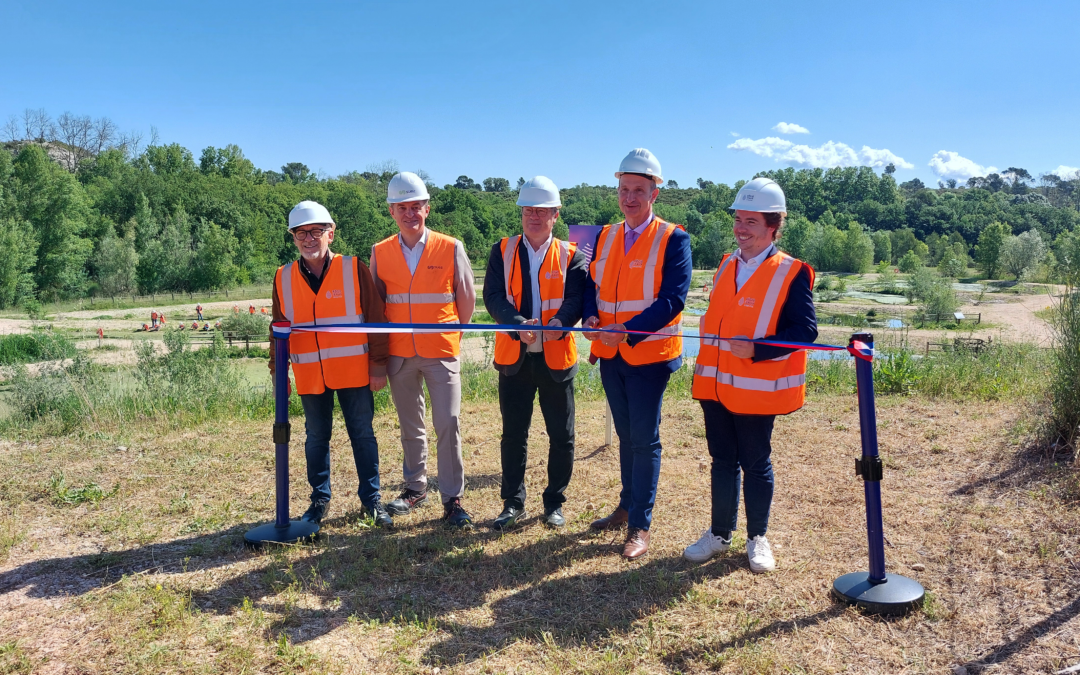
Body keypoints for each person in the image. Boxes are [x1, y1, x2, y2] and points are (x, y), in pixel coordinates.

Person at [682, 178, 817, 574]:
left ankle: (757, 538)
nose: (741, 229)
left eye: (751, 222)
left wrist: (758, 349)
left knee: (755, 463)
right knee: (722, 460)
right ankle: (719, 534)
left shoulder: (792, 272)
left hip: (757, 390)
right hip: (715, 385)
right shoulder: (726, 264)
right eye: (739, 220)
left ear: (774, 226)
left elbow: (805, 332)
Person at [582, 149, 692, 559]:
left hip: (650, 356)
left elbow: (673, 300)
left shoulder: (673, 238)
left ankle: (640, 526)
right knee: (627, 436)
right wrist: (592, 318)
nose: (629, 197)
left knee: (645, 440)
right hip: (610, 355)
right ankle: (626, 506)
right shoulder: (605, 236)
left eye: (638, 191)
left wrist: (627, 331)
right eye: (624, 189)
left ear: (654, 194)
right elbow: (593, 287)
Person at [270, 200, 393, 527]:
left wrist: (379, 365)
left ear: (331, 234)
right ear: (293, 238)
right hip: (310, 375)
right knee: (315, 438)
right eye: (301, 233)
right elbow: (277, 331)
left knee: (363, 435)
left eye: (316, 231)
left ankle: (372, 501)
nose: (309, 238)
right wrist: (278, 375)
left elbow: (376, 320)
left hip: (354, 372)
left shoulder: (354, 269)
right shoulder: (282, 278)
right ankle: (319, 501)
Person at [370, 172, 477, 528]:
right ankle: (415, 488)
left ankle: (453, 498)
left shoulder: (451, 247)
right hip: (400, 354)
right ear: (391, 211)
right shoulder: (380, 252)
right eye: (403, 207)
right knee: (410, 424)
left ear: (427, 208)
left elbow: (466, 299)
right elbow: (377, 306)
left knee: (448, 422)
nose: (410, 213)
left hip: (441, 350)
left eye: (416, 206)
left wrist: (451, 337)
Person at [483, 177, 588, 530]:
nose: (534, 216)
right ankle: (512, 503)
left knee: (562, 436)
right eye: (528, 210)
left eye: (541, 211)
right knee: (513, 435)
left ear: (555, 214)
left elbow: (576, 298)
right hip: (515, 359)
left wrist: (561, 320)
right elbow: (493, 296)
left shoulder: (572, 254)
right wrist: (515, 324)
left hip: (556, 359)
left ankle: (554, 503)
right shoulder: (502, 250)